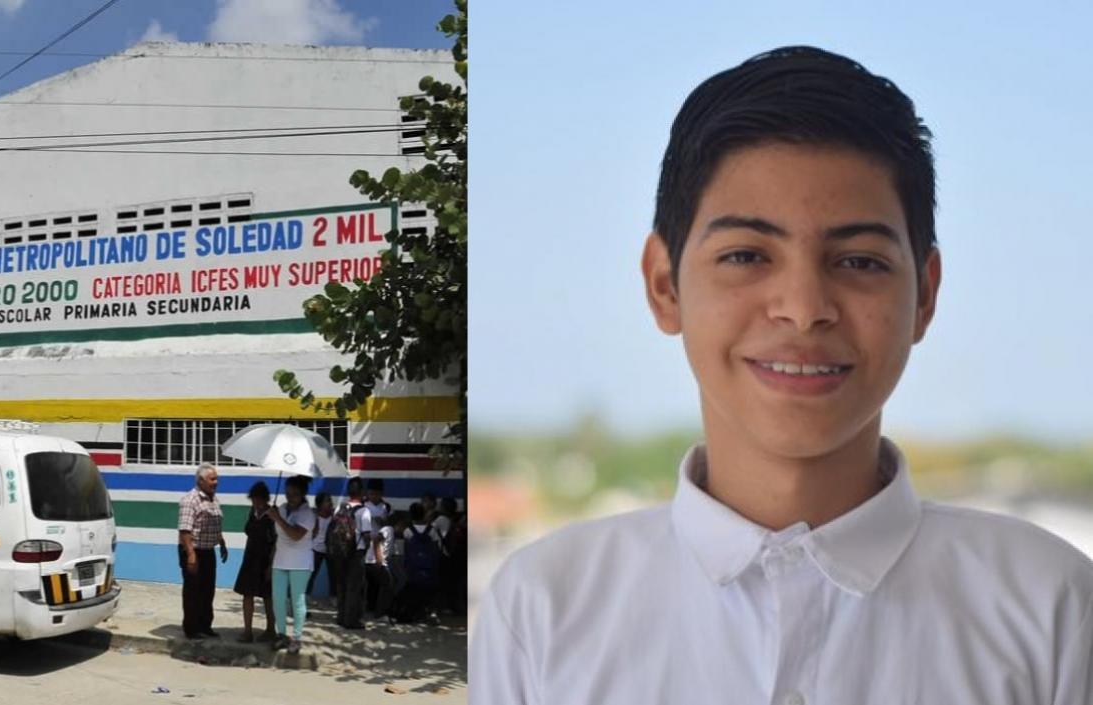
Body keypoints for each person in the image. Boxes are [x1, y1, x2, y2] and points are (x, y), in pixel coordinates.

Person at [471, 46, 1093, 705]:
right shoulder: (543, 610)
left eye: (858, 261)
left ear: (926, 295)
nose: (803, 309)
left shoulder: (1052, 609)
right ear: (664, 285)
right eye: (746, 254)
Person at [176, 463, 227, 640]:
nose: (216, 482)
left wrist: (221, 542)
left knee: (207, 590)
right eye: (212, 479)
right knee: (193, 591)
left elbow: (214, 523)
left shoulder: (213, 499)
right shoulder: (190, 500)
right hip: (194, 551)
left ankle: (205, 626)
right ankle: (191, 629)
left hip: (208, 551)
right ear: (201, 480)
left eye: (216, 478)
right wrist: (191, 555)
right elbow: (185, 530)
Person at [267, 475, 316, 653]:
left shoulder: (307, 514)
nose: (290, 497)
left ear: (303, 494)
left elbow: (296, 535)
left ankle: (296, 637)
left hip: (300, 562)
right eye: (288, 493)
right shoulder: (281, 508)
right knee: (278, 599)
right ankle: (281, 634)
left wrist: (278, 519)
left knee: (297, 599)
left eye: (294, 494)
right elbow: (278, 537)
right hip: (281, 559)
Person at [232, 481, 277, 643]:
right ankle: (247, 631)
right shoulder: (253, 512)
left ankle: (271, 629)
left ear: (265, 499)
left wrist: (271, 566)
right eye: (254, 500)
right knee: (247, 594)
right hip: (250, 558)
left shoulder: (273, 514)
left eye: (259, 500)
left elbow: (277, 542)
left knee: (268, 596)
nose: (256, 503)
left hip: (266, 560)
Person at [330, 477, 370, 630]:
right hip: (356, 553)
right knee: (354, 587)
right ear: (362, 492)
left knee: (341, 585)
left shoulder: (340, 508)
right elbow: (366, 535)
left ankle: (340, 617)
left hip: (340, 553)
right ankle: (351, 620)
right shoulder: (364, 511)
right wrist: (365, 549)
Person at [396, 502, 443, 624]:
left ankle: (416, 614)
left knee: (414, 590)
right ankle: (431, 613)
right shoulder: (432, 531)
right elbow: (438, 548)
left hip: (413, 568)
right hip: (430, 567)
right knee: (430, 590)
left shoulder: (407, 531)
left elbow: (404, 550)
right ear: (424, 514)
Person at [305, 491, 335, 601]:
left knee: (333, 575)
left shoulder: (334, 517)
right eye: (327, 501)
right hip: (316, 549)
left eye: (330, 501)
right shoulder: (314, 516)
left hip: (330, 550)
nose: (330, 503)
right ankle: (307, 595)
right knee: (311, 574)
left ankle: (333, 597)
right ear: (320, 504)